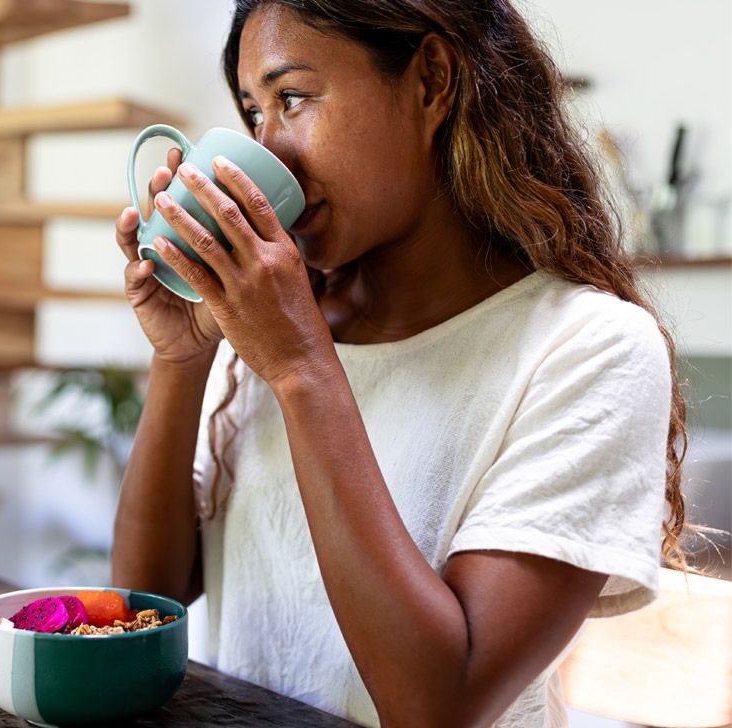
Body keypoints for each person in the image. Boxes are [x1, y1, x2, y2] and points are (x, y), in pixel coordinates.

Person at [109, 1, 689, 726]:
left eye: (293, 97)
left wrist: (301, 369)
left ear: (432, 81)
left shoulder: (588, 348)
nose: (269, 151)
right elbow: (139, 599)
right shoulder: (280, 322)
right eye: (255, 114)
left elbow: (436, 706)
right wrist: (182, 357)